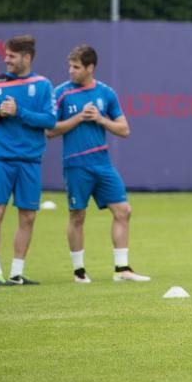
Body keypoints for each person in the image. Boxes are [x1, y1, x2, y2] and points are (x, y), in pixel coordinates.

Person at [47, 45, 149, 284]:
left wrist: (100, 119)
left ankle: (122, 269)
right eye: (70, 66)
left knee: (123, 211)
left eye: (76, 67)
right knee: (77, 216)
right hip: (75, 165)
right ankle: (79, 272)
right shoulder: (61, 93)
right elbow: (49, 130)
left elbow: (124, 129)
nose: (71, 71)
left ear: (90, 67)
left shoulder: (106, 93)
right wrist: (78, 118)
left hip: (102, 165)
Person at [0, 35, 56, 287]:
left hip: (30, 160)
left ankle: (17, 273)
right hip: (1, 157)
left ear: (26, 58)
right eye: (6, 55)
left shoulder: (43, 85)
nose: (6, 60)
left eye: (11, 56)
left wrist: (20, 112)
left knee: (28, 216)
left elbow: (50, 121)